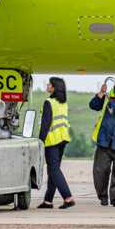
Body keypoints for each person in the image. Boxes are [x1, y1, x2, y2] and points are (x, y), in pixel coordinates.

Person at [37, 77, 76, 209]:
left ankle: (68, 198)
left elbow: (45, 124)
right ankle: (48, 201)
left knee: (53, 170)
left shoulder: (48, 102)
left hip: (52, 140)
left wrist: (40, 141)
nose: (47, 85)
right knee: (53, 170)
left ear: (53, 87)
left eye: (49, 84)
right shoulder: (63, 103)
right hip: (63, 139)